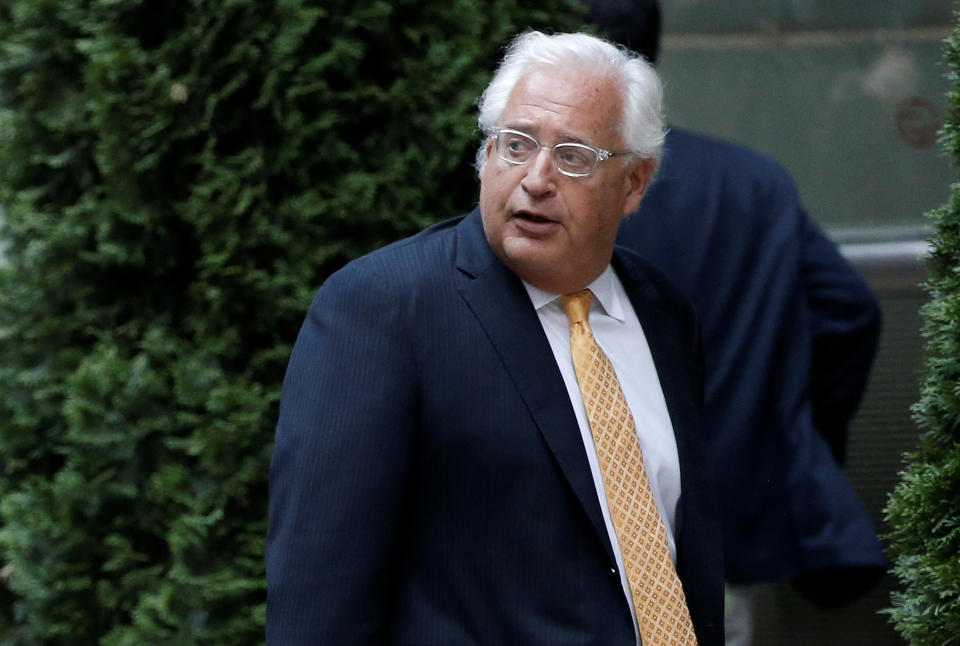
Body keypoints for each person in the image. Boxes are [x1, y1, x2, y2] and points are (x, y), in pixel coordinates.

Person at [266, 30, 724, 645]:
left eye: (572, 158)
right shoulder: (383, 309)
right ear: (485, 156)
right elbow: (319, 599)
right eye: (516, 145)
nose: (536, 179)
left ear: (634, 184)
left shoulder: (664, 314)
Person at [580, 2, 888, 644]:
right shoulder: (748, 182)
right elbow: (849, 311)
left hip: (581, 523)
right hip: (726, 517)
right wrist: (792, 427)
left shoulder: (542, 189)